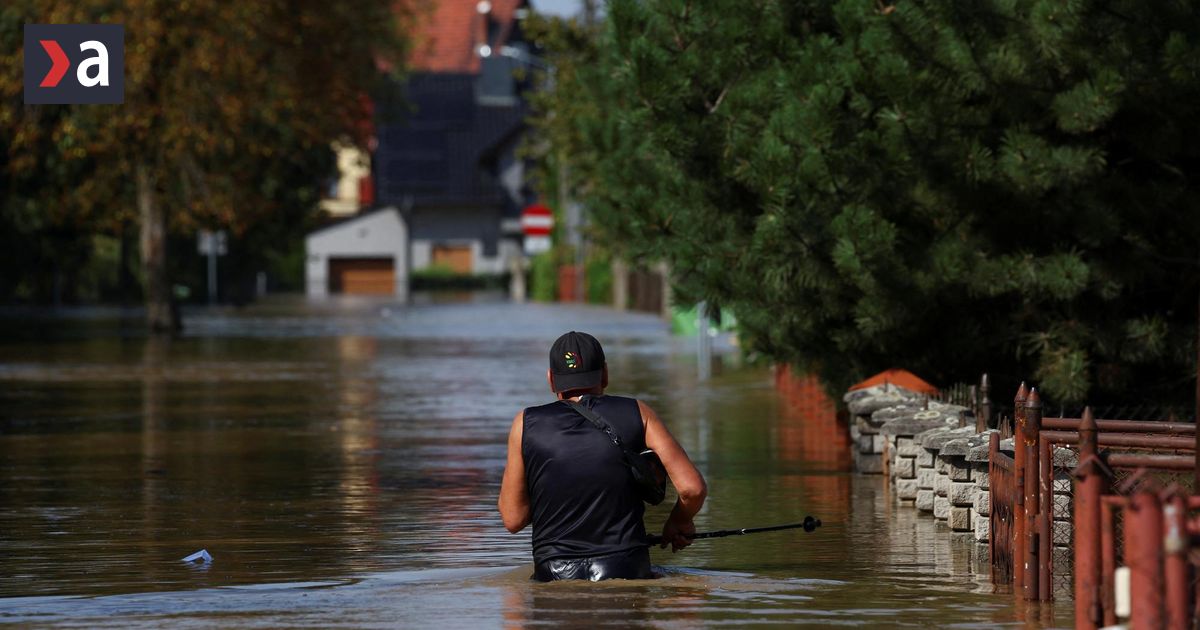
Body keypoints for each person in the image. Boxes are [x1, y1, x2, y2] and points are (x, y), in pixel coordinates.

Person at [498, 331, 708, 581]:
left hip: (554, 575)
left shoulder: (525, 424)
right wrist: (678, 520)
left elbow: (513, 519)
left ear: (551, 380)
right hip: (626, 569)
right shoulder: (637, 412)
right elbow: (692, 489)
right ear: (605, 374)